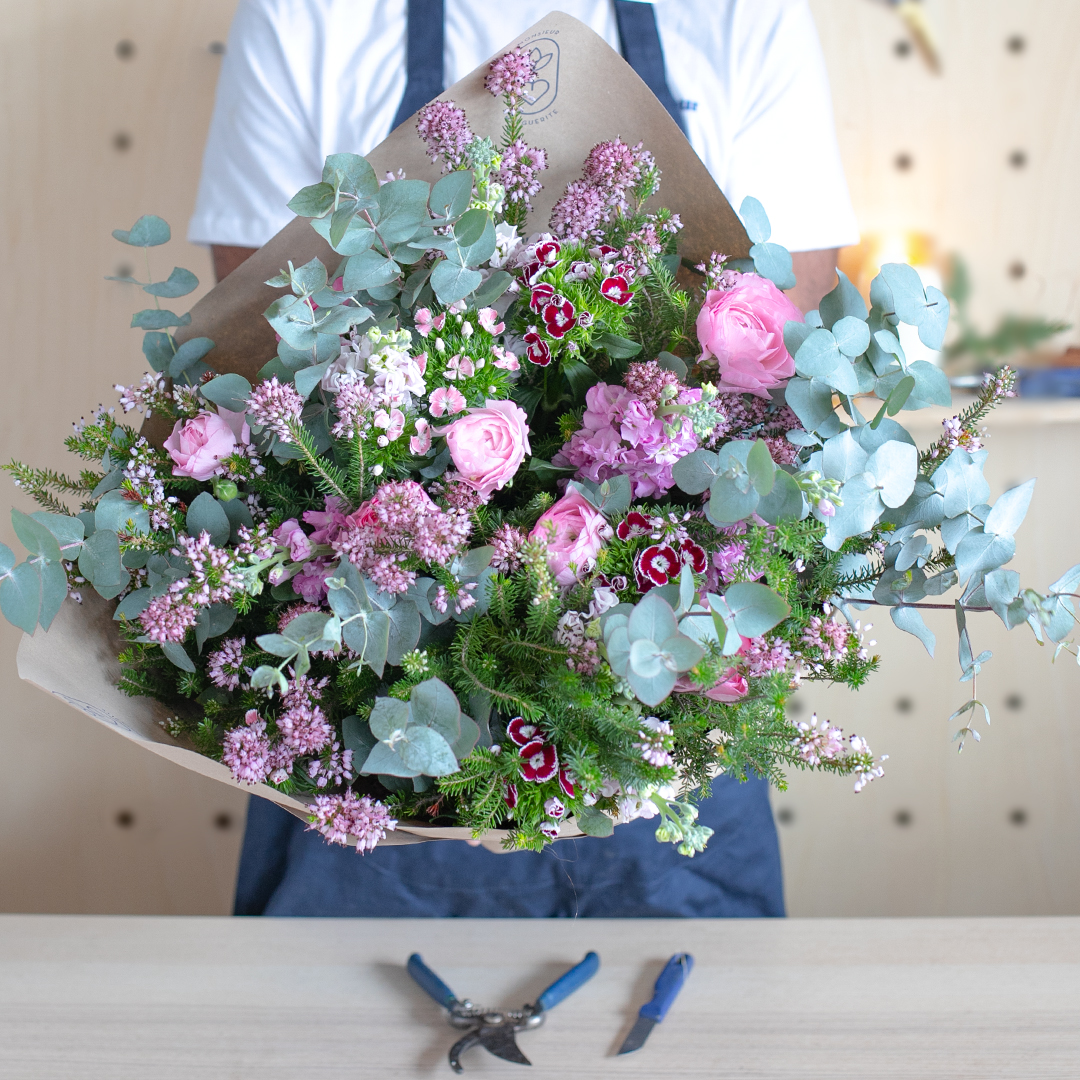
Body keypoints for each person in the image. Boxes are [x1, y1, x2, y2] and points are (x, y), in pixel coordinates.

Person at [190, 0, 860, 919]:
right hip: (369, 716)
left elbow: (783, 334)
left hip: (658, 708)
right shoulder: (310, 17)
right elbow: (259, 336)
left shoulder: (743, 14)